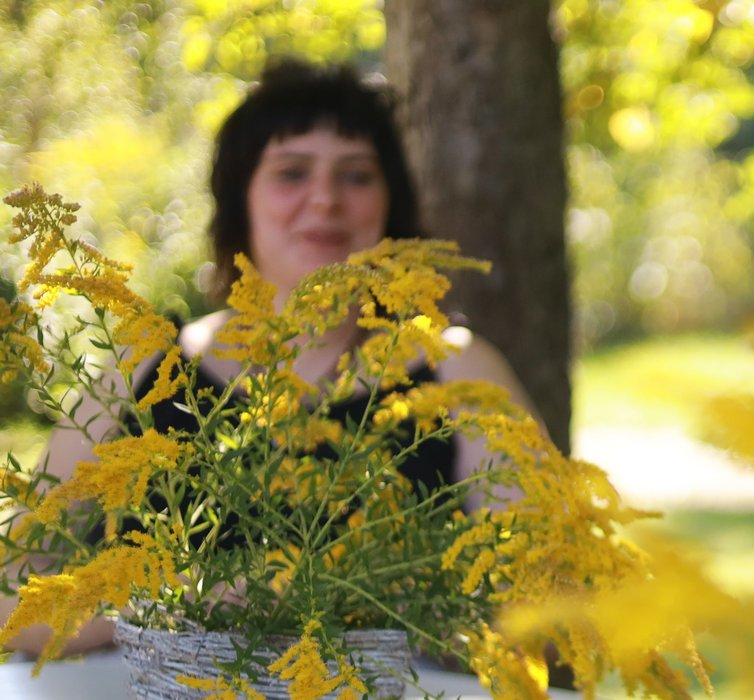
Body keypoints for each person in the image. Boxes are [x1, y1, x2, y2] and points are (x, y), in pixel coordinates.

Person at [2, 58, 538, 657]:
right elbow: (11, 599)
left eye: (357, 175)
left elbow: (543, 598)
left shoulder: (460, 369)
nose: (326, 199)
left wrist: (370, 594)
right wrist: (190, 595)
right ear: (240, 203)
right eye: (291, 173)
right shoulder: (143, 363)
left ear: (392, 203)